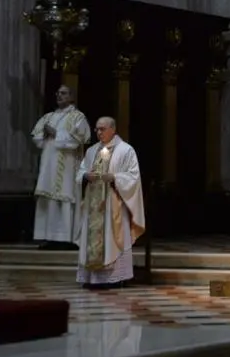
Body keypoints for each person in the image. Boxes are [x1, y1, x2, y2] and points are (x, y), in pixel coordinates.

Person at [75, 116, 145, 288]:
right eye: (97, 129)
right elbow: (81, 171)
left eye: (102, 129)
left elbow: (133, 177)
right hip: (93, 205)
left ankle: (114, 278)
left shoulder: (126, 150)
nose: (99, 132)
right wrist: (85, 176)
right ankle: (91, 278)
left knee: (113, 240)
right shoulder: (91, 151)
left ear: (113, 129)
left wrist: (114, 177)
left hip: (114, 204)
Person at [31, 85, 91, 250]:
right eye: (57, 93)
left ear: (71, 97)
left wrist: (56, 133)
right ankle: (49, 236)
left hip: (68, 166)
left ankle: (67, 237)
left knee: (65, 197)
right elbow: (37, 138)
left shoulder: (78, 117)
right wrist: (44, 134)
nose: (59, 95)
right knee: (49, 199)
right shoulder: (48, 117)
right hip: (49, 165)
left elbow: (81, 138)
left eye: (63, 93)